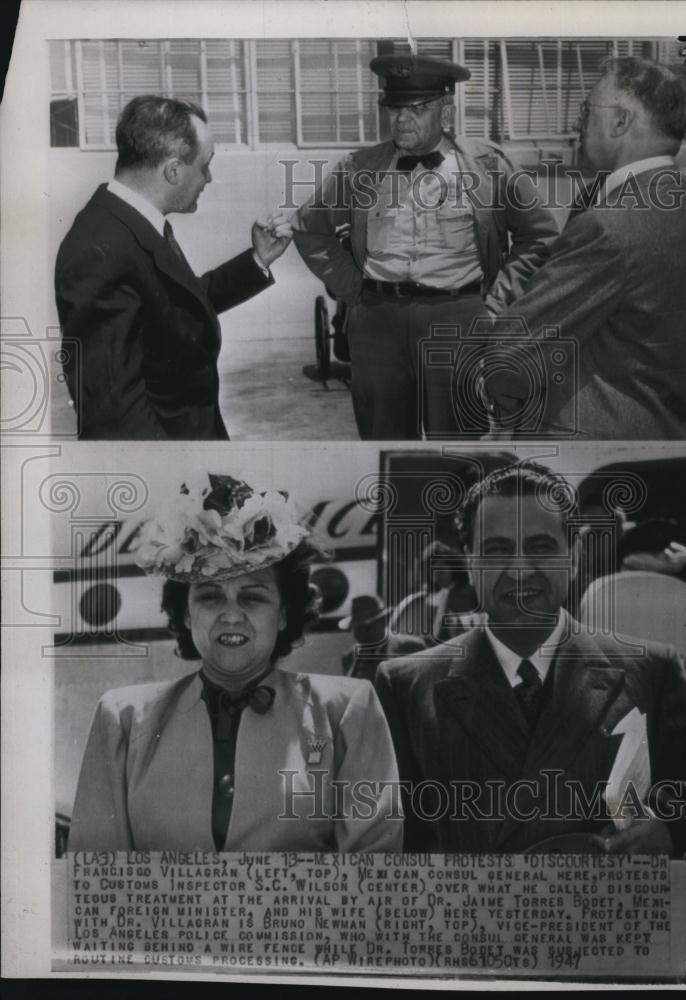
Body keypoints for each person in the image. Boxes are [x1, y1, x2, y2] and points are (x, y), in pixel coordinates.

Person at [68, 474, 402, 853]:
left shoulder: (347, 712)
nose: (231, 615)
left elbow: (374, 879)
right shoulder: (123, 720)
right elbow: (95, 883)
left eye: (253, 597)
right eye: (210, 596)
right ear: (186, 614)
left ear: (283, 613)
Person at [375, 460, 686, 853]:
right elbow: (391, 849)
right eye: (496, 550)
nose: (520, 569)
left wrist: (669, 834)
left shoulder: (653, 671)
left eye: (541, 547)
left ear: (574, 555)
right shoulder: (404, 685)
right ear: (470, 563)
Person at [292, 53, 559, 440]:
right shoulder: (359, 169)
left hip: (458, 320)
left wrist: (495, 303)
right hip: (377, 322)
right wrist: (354, 288)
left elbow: (540, 236)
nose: (401, 119)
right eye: (394, 108)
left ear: (445, 112)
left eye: (416, 109)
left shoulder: (488, 165)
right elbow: (309, 229)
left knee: (457, 448)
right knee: (384, 447)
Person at [482, 56, 686, 440]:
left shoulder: (610, 224)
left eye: (586, 111)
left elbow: (512, 352)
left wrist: (505, 412)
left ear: (620, 122)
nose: (575, 124)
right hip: (661, 430)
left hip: (587, 443)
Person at [55, 95, 293, 440]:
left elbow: (174, 305)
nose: (208, 179)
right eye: (205, 165)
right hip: (169, 471)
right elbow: (113, 413)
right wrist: (176, 481)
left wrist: (257, 260)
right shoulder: (99, 249)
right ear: (173, 170)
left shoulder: (131, 222)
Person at [339, 594, 426, 682]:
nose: (361, 635)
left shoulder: (410, 647)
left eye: (366, 628)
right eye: (356, 629)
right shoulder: (350, 657)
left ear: (382, 622)